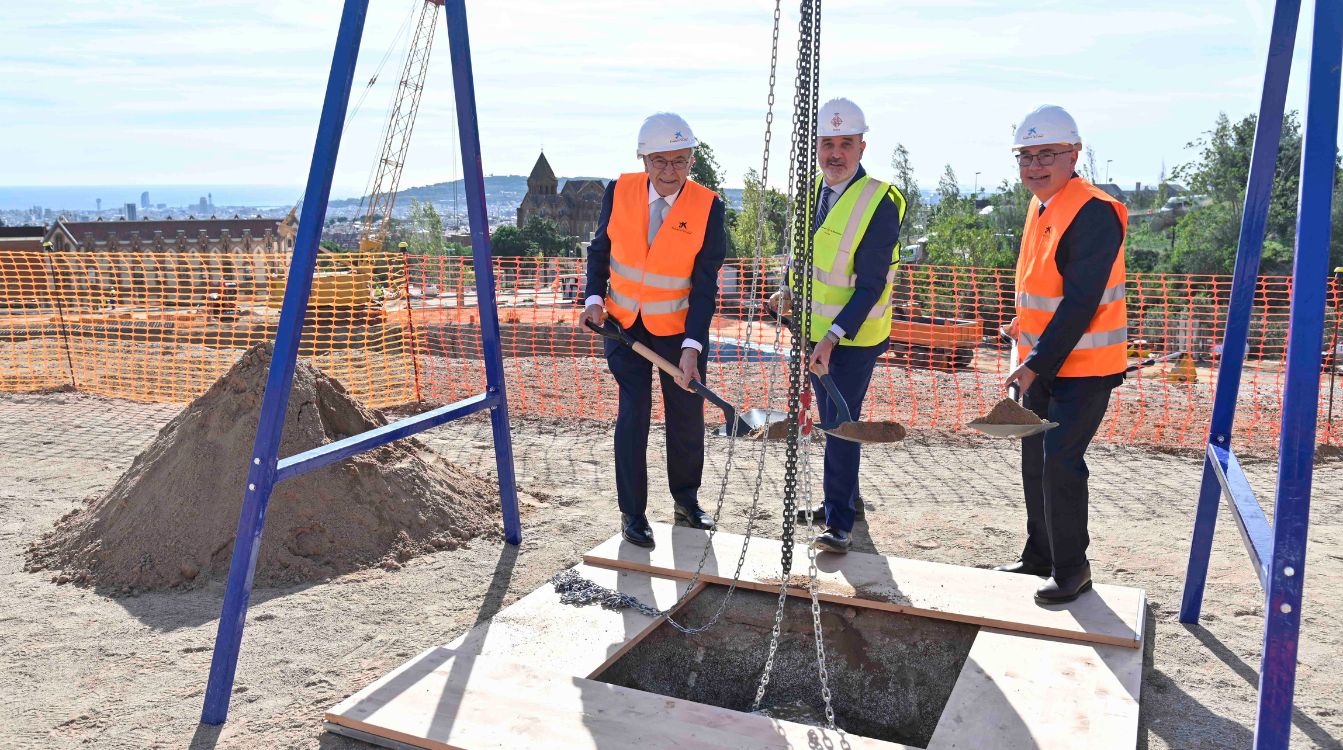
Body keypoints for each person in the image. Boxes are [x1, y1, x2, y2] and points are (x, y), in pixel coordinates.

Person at [997, 105, 1128, 604]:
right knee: (1036, 459)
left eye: (1047, 153)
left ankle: (1072, 569)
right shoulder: (1042, 205)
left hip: (1085, 369)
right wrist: (1022, 333)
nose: (1035, 165)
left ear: (1074, 154)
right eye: (1026, 156)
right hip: (1043, 363)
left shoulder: (1093, 211)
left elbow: (1080, 303)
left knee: (1061, 463)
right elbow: (1040, 289)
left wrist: (1035, 364)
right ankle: (1040, 554)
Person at [579, 112, 728, 549]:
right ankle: (634, 513)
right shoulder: (619, 191)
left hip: (678, 333)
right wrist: (593, 300)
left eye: (680, 161)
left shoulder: (707, 206)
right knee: (634, 415)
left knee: (685, 418)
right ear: (643, 158)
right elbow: (600, 252)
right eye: (660, 160)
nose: (669, 171)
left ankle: (686, 500)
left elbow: (705, 286)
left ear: (691, 159)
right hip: (624, 329)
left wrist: (692, 347)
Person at [767, 97, 906, 553]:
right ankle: (843, 501)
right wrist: (786, 290)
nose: (835, 153)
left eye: (845, 144)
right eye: (828, 143)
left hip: (853, 336)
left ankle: (839, 522)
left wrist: (831, 338)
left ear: (861, 147)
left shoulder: (880, 202)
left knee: (839, 424)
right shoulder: (812, 194)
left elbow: (869, 287)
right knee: (830, 418)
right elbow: (808, 259)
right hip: (813, 332)